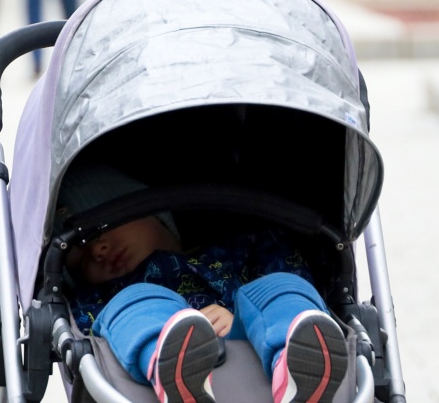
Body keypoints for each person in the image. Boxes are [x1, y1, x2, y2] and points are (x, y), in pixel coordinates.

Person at [59, 165, 350, 403]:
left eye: (100, 231)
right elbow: (87, 330)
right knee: (130, 306)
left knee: (282, 287)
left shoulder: (241, 245)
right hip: (156, 347)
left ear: (144, 207)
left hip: (255, 334)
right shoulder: (105, 295)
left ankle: (296, 363)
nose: (97, 252)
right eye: (79, 261)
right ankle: (172, 364)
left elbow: (300, 274)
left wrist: (243, 324)